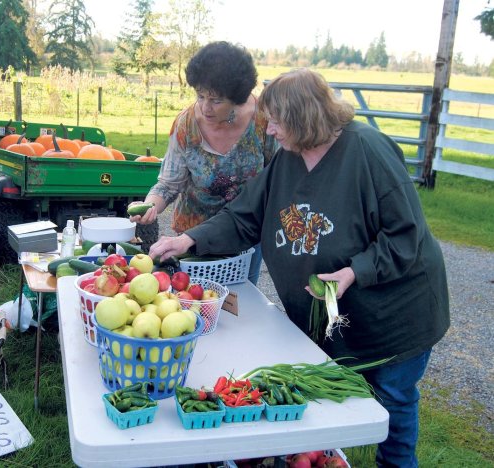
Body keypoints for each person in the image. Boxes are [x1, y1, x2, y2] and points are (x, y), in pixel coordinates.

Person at [149, 68, 450, 468]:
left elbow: (406, 234)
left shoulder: (369, 152)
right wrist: (190, 240)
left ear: (303, 117)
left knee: (392, 402)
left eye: (275, 121)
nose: (269, 131)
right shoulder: (289, 160)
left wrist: (354, 271)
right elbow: (245, 216)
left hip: (393, 317)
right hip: (334, 316)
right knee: (329, 401)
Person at [128, 41, 265, 285]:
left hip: (246, 234)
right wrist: (150, 205)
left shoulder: (264, 121)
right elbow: (168, 184)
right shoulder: (186, 125)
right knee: (192, 302)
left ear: (237, 98)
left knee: (242, 301)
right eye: (200, 96)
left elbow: (278, 180)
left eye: (216, 100)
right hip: (191, 238)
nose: (204, 107)